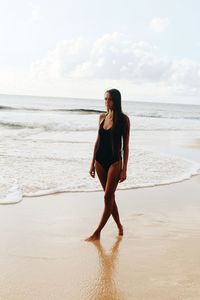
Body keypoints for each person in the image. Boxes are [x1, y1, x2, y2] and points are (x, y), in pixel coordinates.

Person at [85, 88, 130, 241]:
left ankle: (97, 233)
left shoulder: (124, 120)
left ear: (116, 100)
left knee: (107, 197)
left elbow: (126, 146)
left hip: (115, 162)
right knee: (110, 197)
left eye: (109, 99)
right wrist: (92, 163)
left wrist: (124, 169)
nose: (106, 102)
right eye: (105, 99)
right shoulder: (101, 117)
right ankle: (119, 226)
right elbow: (97, 141)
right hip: (100, 161)